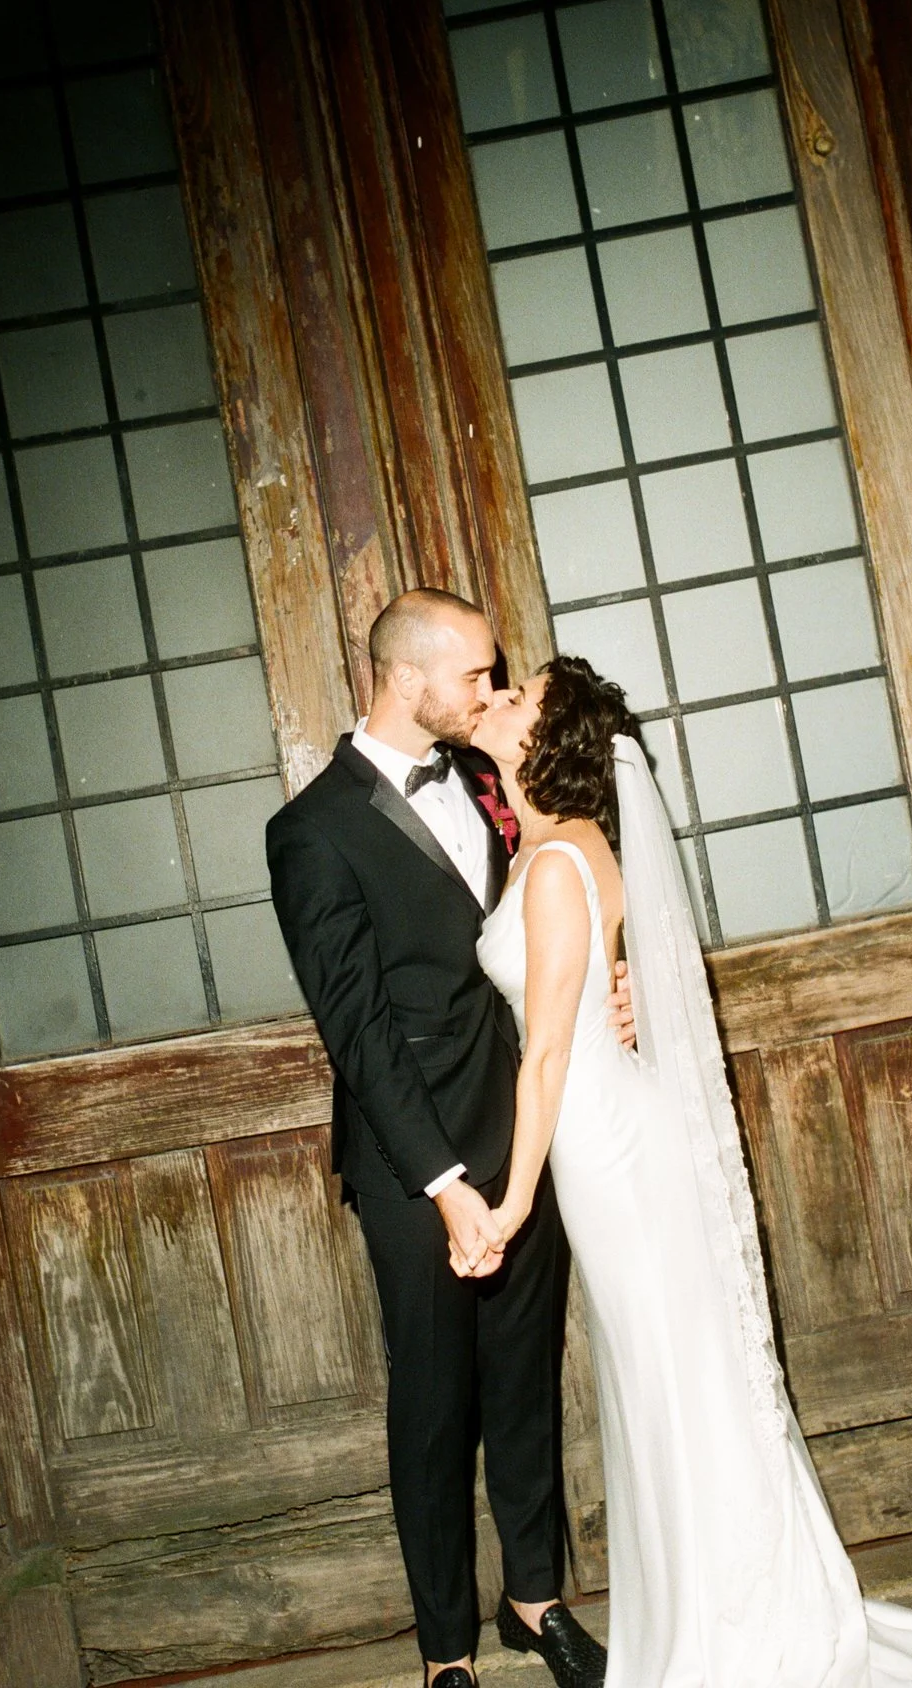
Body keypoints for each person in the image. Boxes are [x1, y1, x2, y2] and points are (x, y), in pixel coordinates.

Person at [467, 653, 912, 1688]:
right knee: (662, 1378)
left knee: (669, 1378)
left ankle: (732, 1630)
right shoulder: (556, 849)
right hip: (605, 1136)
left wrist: (510, 1201)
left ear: (543, 741)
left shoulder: (562, 863)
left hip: (605, 1145)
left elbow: (552, 1053)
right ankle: (709, 1610)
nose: (499, 698)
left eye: (517, 697)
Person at [266, 592, 621, 1688]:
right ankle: (442, 1651)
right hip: (409, 1157)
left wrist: (618, 980)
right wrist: (443, 1186)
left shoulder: (487, 778)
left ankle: (534, 1597)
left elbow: (553, 923)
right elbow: (357, 1032)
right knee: (432, 1401)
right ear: (403, 676)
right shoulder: (312, 831)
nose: (489, 691)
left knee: (522, 1376)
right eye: (474, 674)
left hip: (524, 1129)